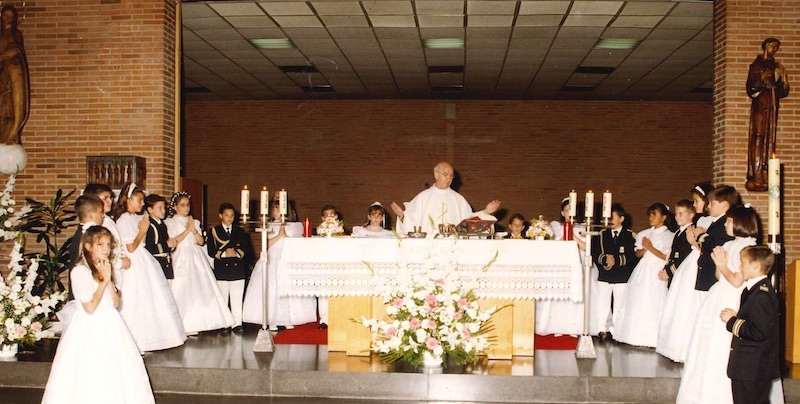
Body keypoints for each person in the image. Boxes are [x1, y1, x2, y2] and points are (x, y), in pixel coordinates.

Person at [42, 226, 155, 403]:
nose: (106, 249)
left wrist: (108, 280)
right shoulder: (80, 271)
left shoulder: (104, 267)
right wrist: (103, 280)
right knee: (91, 374)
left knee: (116, 372)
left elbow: (116, 303)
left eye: (108, 245)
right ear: (88, 247)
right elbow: (90, 307)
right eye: (100, 245)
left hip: (111, 323)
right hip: (89, 327)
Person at [677, 205, 759, 404]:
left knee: (722, 344)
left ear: (741, 223)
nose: (727, 224)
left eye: (730, 221)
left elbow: (737, 280)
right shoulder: (731, 244)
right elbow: (719, 274)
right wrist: (719, 262)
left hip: (732, 295)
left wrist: (722, 265)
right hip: (720, 291)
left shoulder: (748, 246)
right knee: (706, 342)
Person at [114, 183, 186, 352]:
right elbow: (130, 247)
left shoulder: (134, 217)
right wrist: (141, 232)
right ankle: (136, 341)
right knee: (137, 300)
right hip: (134, 261)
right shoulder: (124, 219)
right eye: (138, 200)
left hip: (143, 260)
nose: (141, 204)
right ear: (128, 200)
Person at [165, 192, 234, 336]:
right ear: (175, 207)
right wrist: (187, 229)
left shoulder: (194, 221)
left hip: (195, 255)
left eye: (187, 205)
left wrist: (194, 230)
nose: (186, 208)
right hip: (181, 255)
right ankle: (182, 324)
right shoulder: (170, 222)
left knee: (199, 288)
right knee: (182, 288)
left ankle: (199, 322)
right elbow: (173, 241)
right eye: (182, 205)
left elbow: (201, 241)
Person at [722, 245, 782, 404]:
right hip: (749, 367)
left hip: (753, 368)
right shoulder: (753, 290)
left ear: (755, 266)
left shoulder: (762, 295)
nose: (740, 266)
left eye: (743, 262)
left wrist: (732, 321)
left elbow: (758, 331)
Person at [243, 200, 316, 330]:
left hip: (286, 257)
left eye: (279, 209)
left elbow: (296, 244)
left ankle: (288, 318)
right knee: (272, 288)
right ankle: (272, 320)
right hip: (272, 258)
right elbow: (266, 243)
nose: (276, 212)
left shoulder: (294, 225)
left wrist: (285, 232)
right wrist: (279, 234)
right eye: (275, 209)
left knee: (286, 288)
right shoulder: (268, 224)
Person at [613, 203, 675, 348]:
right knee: (638, 299)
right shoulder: (644, 233)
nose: (651, 217)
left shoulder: (669, 236)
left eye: (655, 214)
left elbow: (666, 257)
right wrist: (644, 249)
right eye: (650, 214)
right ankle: (633, 335)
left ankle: (652, 338)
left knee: (654, 300)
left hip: (657, 271)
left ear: (664, 217)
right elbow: (637, 253)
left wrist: (650, 247)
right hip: (643, 270)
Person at [390, 161, 500, 235]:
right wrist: (401, 215)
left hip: (453, 247)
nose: (448, 178)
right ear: (436, 174)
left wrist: (485, 212)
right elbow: (411, 221)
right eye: (445, 174)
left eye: (451, 176)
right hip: (429, 248)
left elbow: (469, 221)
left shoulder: (458, 199)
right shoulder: (423, 197)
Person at [745, 38, 790, 192]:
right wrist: (766, 76)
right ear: (765, 47)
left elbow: (782, 91)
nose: (774, 49)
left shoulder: (777, 66)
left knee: (770, 137)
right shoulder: (757, 65)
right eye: (772, 46)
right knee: (759, 135)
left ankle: (765, 169)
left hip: (772, 104)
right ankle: (756, 170)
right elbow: (751, 87)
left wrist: (783, 80)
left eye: (776, 47)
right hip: (761, 104)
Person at [656, 199, 698, 361]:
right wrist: (666, 268)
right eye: (677, 214)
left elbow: (684, 258)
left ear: (691, 215)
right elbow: (672, 255)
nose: (678, 217)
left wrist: (669, 271)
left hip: (683, 276)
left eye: (682, 214)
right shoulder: (679, 233)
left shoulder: (690, 233)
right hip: (675, 275)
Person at [590, 203, 638, 341]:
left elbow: (632, 255)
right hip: (605, 275)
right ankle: (601, 329)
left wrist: (616, 260)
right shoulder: (602, 235)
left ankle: (617, 331)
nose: (610, 220)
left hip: (621, 276)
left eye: (613, 217)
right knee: (602, 303)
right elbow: (595, 252)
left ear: (621, 219)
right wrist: (605, 259)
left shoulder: (629, 236)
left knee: (619, 305)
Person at [207, 202, 254, 334]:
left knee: (237, 297)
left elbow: (247, 249)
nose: (229, 218)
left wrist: (237, 253)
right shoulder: (214, 231)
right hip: (222, 269)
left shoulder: (240, 231)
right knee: (222, 297)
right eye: (226, 215)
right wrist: (223, 253)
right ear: (220, 215)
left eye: (232, 215)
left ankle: (237, 323)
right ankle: (224, 323)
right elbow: (211, 250)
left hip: (237, 269)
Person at [83, 183, 131, 293]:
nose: (110, 201)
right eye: (106, 198)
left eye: (110, 198)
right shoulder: (95, 224)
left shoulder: (108, 220)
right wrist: (119, 262)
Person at [694, 185, 739, 292]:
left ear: (724, 205)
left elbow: (718, 246)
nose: (708, 206)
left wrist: (701, 236)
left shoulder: (725, 224)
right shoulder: (716, 223)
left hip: (713, 274)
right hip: (707, 274)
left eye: (712, 203)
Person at [66, 194, 106, 300]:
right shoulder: (85, 236)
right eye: (101, 212)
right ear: (91, 215)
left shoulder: (87, 233)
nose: (103, 216)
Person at [0, 5, 29, 145]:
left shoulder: (16, 35)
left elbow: (17, 51)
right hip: (2, 76)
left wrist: (3, 57)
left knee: (13, 106)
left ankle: (12, 133)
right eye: (5, 16)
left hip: (13, 74)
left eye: (11, 17)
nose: (8, 20)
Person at [143, 194, 176, 281]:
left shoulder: (162, 225)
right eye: (160, 208)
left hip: (165, 263)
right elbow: (148, 248)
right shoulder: (150, 226)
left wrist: (171, 245)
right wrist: (166, 245)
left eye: (164, 207)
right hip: (156, 264)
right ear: (150, 210)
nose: (163, 210)